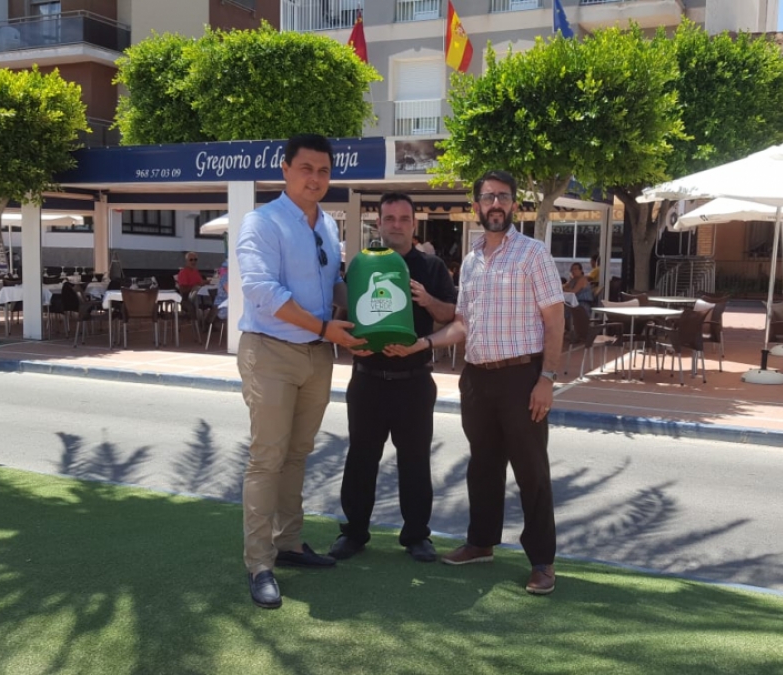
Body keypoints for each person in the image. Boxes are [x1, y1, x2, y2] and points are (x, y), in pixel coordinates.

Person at [387, 169, 565, 595]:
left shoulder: (533, 254)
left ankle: (542, 561)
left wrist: (547, 378)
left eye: (503, 196)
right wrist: (422, 343)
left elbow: (555, 320)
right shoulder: (470, 261)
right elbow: (462, 324)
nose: (495, 204)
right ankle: (481, 542)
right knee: (482, 466)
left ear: (515, 205)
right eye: (488, 197)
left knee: (531, 471)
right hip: (477, 379)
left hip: (522, 376)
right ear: (476, 207)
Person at [236, 133, 366, 610]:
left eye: (324, 171)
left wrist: (373, 311)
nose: (315, 178)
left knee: (297, 454)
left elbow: (333, 285)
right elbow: (261, 291)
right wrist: (325, 328)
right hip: (271, 351)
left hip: (318, 355)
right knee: (267, 458)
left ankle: (288, 542)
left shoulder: (328, 225)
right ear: (285, 169)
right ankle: (259, 564)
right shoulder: (261, 222)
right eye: (306, 168)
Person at [329, 192, 457, 564]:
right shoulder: (362, 265)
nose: (396, 225)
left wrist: (427, 300)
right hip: (368, 378)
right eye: (390, 219)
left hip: (414, 380)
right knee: (361, 458)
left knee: (415, 460)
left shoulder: (432, 267)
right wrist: (351, 345)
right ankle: (353, 532)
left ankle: (417, 535)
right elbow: (345, 315)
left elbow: (450, 315)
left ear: (414, 224)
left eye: (403, 219)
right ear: (379, 223)